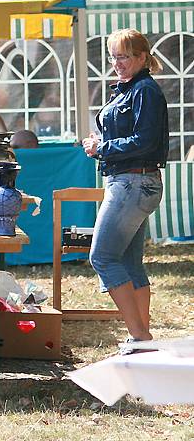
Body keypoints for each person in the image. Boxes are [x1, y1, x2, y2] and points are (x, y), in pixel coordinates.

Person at [82, 28, 168, 352]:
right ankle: (141, 337)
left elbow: (144, 141)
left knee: (102, 256)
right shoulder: (129, 89)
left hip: (133, 182)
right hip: (133, 182)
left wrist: (102, 147)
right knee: (130, 264)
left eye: (125, 56)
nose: (118, 62)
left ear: (142, 58)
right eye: (114, 56)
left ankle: (140, 336)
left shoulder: (145, 90)